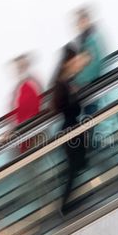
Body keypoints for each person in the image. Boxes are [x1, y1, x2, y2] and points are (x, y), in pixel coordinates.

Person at [53, 44, 87, 215]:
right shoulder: (64, 85)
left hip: (71, 129)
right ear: (67, 62)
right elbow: (72, 109)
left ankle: (67, 204)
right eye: (74, 59)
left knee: (76, 166)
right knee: (74, 168)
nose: (77, 62)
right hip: (70, 130)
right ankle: (65, 206)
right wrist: (76, 96)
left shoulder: (65, 82)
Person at [73, 7, 106, 117]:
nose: (79, 24)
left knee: (90, 117)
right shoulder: (84, 39)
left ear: (87, 20)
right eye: (78, 21)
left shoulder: (92, 39)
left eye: (82, 20)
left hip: (90, 86)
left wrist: (78, 82)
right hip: (88, 87)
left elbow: (94, 64)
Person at [8, 54, 43, 153]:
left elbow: (33, 110)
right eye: (18, 67)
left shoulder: (30, 84)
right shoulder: (19, 87)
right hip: (23, 134)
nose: (19, 70)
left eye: (21, 66)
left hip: (31, 134)